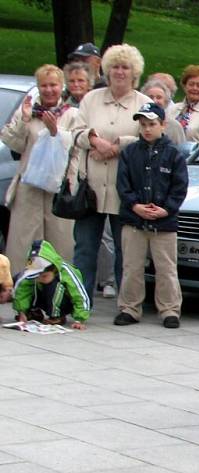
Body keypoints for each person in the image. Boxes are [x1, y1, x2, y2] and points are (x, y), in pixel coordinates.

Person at [72, 43, 151, 303]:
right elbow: (75, 132)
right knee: (85, 248)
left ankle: (127, 304)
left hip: (125, 189)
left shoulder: (144, 103)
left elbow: (149, 137)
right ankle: (81, 302)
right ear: (107, 69)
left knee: (125, 251)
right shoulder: (91, 99)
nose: (119, 72)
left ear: (134, 72)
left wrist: (116, 147)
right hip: (91, 188)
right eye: (115, 66)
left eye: (125, 67)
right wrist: (94, 140)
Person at [0, 64, 81, 274]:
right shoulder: (28, 110)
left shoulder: (72, 114)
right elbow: (14, 143)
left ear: (61, 86)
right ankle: (20, 283)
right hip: (30, 183)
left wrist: (56, 131)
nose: (49, 90)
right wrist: (24, 121)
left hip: (59, 185)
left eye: (53, 85)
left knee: (60, 239)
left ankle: (60, 283)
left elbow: (77, 147)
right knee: (23, 239)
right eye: (44, 85)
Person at [114, 102, 187, 329]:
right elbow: (123, 183)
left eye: (152, 124)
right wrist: (134, 205)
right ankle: (129, 307)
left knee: (166, 268)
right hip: (134, 220)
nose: (147, 129)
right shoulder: (130, 152)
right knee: (132, 267)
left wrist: (167, 208)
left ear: (163, 125)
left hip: (164, 222)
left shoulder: (173, 154)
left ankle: (169, 309)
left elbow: (180, 186)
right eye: (143, 125)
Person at [13, 239, 90, 329]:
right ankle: (33, 312)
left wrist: (79, 319)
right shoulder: (34, 273)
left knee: (53, 284)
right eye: (38, 275)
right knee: (27, 281)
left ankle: (57, 316)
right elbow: (22, 291)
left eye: (44, 276)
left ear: (53, 269)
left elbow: (79, 295)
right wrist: (21, 312)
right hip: (44, 299)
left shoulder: (66, 271)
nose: (40, 279)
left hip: (64, 303)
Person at [141, 79, 185, 145]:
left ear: (166, 101)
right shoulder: (136, 122)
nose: (154, 101)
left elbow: (181, 150)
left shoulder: (174, 126)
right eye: (150, 97)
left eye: (159, 97)